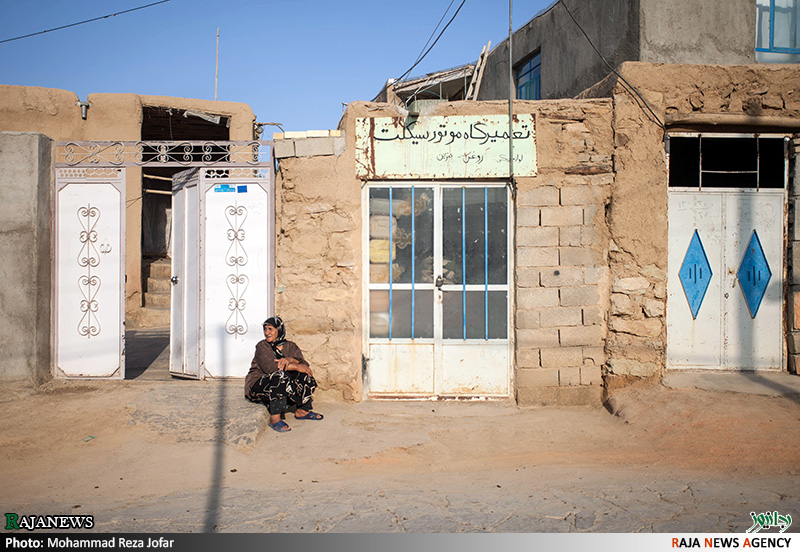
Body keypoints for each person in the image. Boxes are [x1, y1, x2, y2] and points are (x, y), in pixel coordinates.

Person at [245, 316, 323, 432]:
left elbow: (304, 364)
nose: (267, 333)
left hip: (282, 385)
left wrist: (290, 360)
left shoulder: (290, 346)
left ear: (279, 330)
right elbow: (271, 368)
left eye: (270, 329)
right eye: (265, 329)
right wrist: (296, 366)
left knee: (305, 375)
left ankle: (302, 410)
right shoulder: (262, 346)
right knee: (280, 376)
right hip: (259, 386)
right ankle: (275, 418)